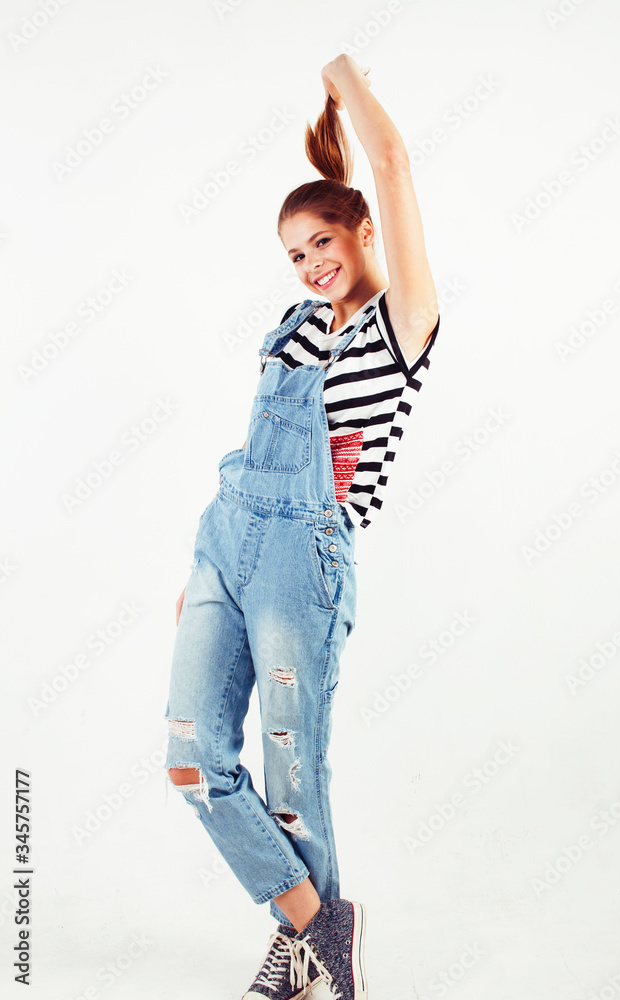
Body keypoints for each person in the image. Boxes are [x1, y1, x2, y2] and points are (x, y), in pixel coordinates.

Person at [164, 52, 440, 1000]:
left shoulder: (401, 324)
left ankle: (303, 949)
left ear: (363, 231)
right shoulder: (294, 322)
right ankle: (320, 923)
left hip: (305, 556)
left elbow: (393, 163)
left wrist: (344, 80)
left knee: (289, 765)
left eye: (324, 241)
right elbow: (256, 443)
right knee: (193, 755)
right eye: (296, 253)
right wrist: (208, 571)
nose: (313, 264)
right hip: (227, 543)